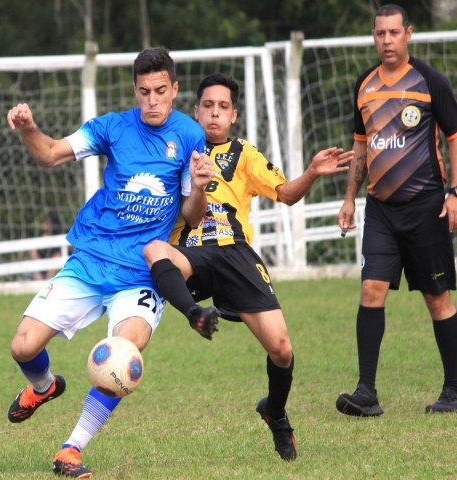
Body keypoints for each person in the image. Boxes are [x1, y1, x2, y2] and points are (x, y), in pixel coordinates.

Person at [6, 46, 217, 479]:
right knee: (23, 347)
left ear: (175, 89)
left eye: (161, 91)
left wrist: (199, 186)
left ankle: (71, 450)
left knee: (126, 352)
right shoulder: (113, 127)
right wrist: (28, 127)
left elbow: (193, 215)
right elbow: (48, 154)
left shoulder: (190, 135)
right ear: (134, 91)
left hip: (141, 271)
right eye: (144, 92)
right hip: (92, 260)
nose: (152, 101)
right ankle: (44, 388)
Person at [143, 73, 353, 461]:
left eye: (223, 107)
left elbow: (286, 194)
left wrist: (311, 172)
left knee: (282, 349)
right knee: (155, 250)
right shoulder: (173, 149)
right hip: (191, 250)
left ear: (234, 114)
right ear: (194, 110)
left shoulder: (244, 153)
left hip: (236, 254)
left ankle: (275, 412)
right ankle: (194, 312)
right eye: (207, 106)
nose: (214, 114)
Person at [335, 4, 457, 417]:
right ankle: (365, 392)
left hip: (426, 207)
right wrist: (351, 197)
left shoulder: (430, 81)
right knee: (371, 290)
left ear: (409, 34)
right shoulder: (364, 85)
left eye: (393, 33)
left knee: (436, 297)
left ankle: (454, 390)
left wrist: (454, 192)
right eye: (379, 34)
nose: (386, 40)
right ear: (374, 37)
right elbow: (360, 146)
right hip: (381, 211)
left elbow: (455, 137)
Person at [30, 212, 65, 280]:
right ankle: (39, 279)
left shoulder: (59, 237)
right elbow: (35, 252)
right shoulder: (42, 236)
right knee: (33, 252)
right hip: (41, 264)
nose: (44, 225)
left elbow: (57, 254)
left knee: (56, 257)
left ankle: (48, 281)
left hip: (55, 267)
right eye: (45, 222)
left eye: (47, 223)